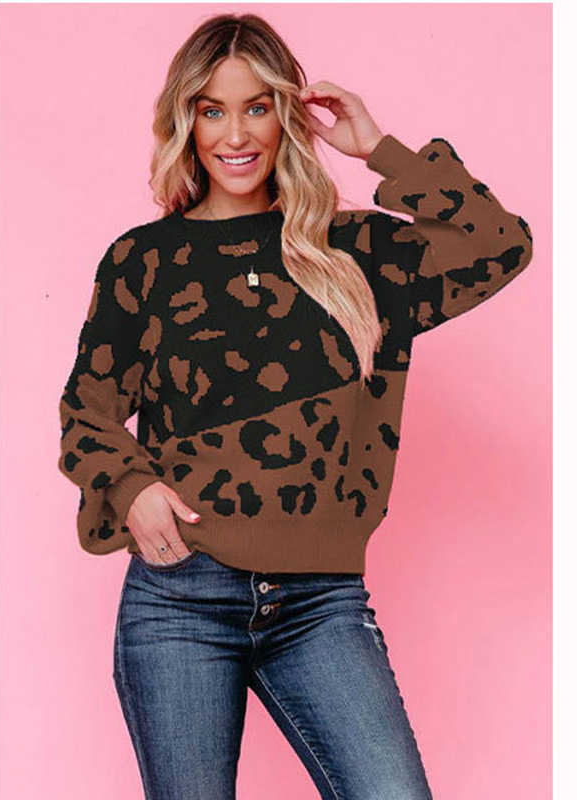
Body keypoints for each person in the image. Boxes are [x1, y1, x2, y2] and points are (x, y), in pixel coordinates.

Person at [57, 12, 533, 800]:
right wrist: (133, 489)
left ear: (286, 114)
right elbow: (87, 411)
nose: (236, 134)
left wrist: (377, 148)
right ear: (186, 121)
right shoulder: (144, 261)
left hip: (322, 602)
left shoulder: (355, 252)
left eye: (257, 107)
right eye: (212, 110)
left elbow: (499, 244)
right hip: (181, 599)